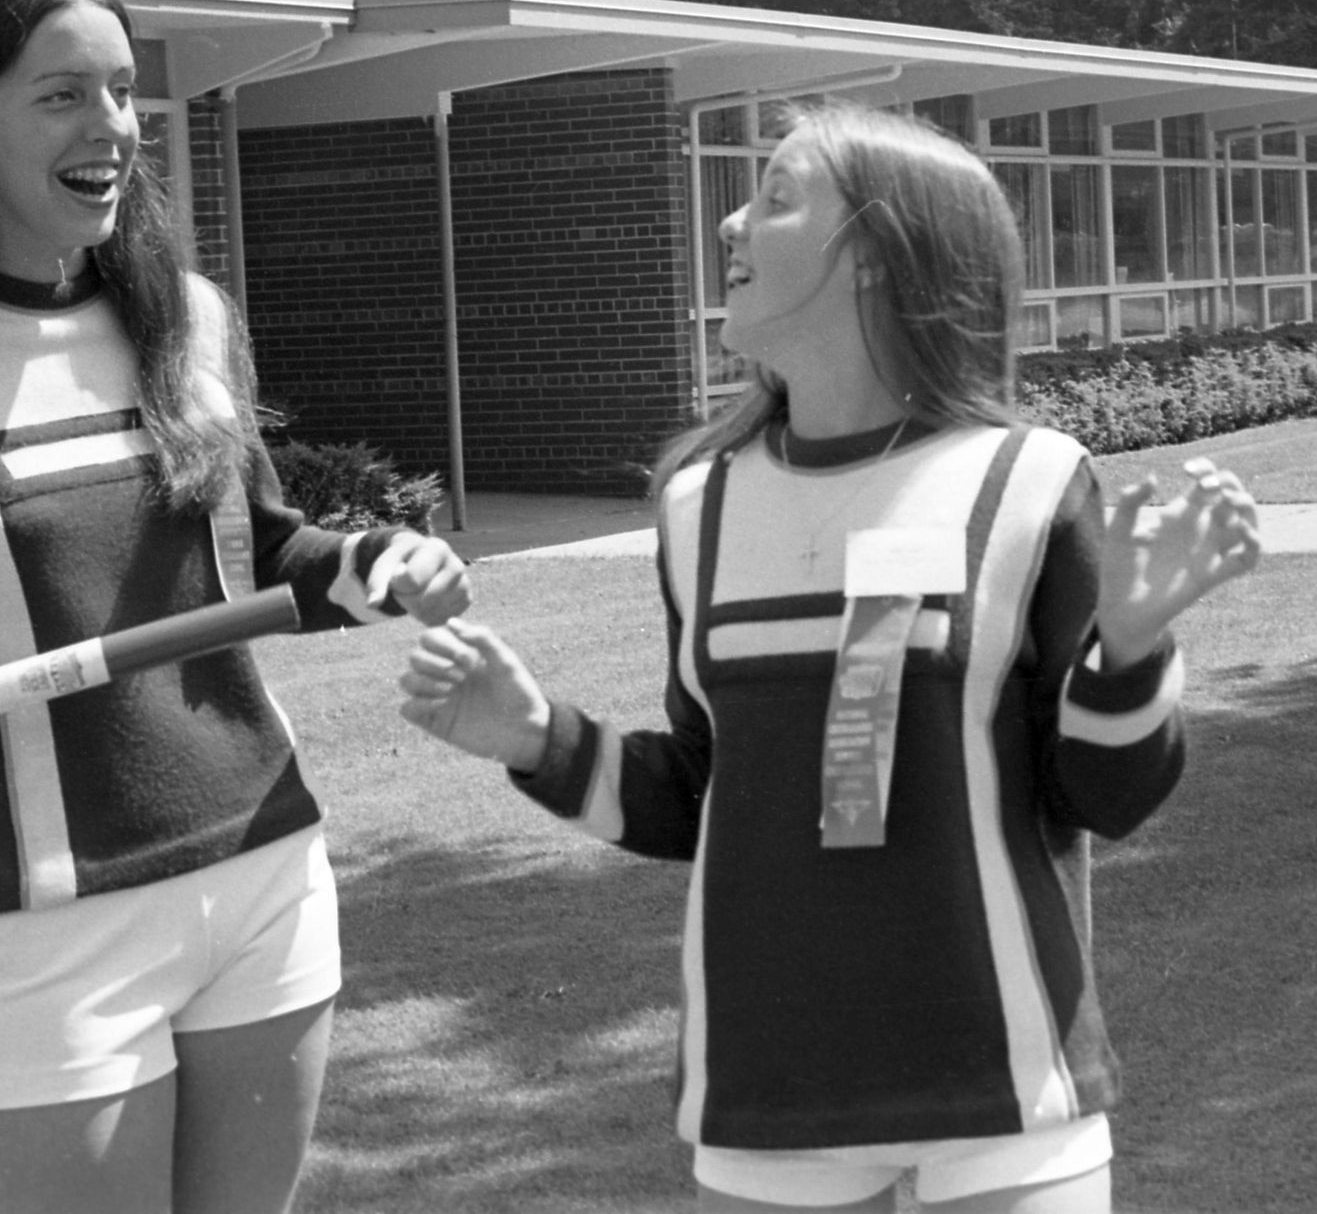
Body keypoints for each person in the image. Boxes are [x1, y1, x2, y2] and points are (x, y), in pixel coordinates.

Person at [400, 103, 1261, 1214]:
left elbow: (1100, 795)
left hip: (1004, 1095)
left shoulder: (1032, 483)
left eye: (776, 196)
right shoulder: (698, 509)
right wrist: (538, 740)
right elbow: (708, 794)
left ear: (874, 255)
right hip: (770, 1096)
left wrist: (1131, 648)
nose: (729, 223)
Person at [0, 0, 472, 1214]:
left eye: (124, 91)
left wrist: (377, 563)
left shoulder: (185, 318)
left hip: (263, 869)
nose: (112, 128)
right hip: (43, 927)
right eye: (61, 96)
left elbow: (264, 553)